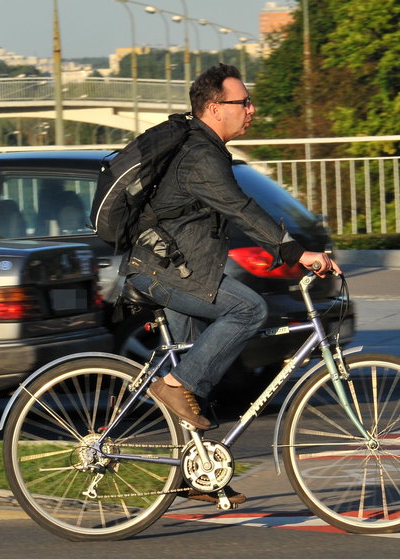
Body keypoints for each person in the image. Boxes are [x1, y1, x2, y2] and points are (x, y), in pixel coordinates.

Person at [123, 64, 340, 504]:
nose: (251, 109)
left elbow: (226, 216)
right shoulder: (201, 157)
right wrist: (297, 253)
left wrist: (281, 250)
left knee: (195, 366)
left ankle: (192, 472)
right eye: (243, 102)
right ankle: (173, 387)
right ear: (214, 107)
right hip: (164, 274)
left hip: (176, 268)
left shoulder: (205, 149)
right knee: (249, 310)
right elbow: (242, 210)